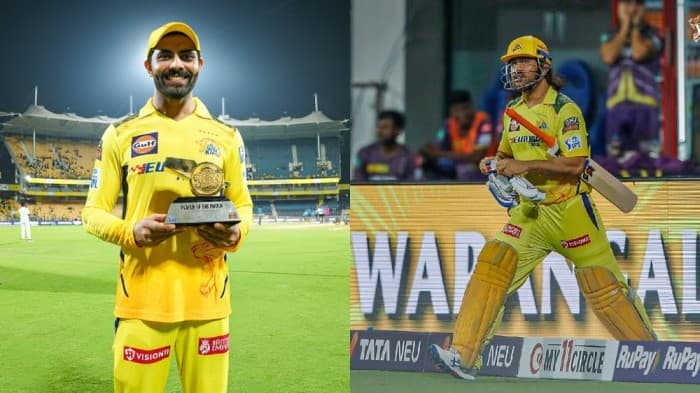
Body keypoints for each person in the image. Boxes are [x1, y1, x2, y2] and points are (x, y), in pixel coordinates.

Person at [430, 35, 656, 380]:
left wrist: (524, 167)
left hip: (570, 212)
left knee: (604, 286)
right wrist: (494, 162)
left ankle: (652, 359)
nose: (516, 69)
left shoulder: (564, 110)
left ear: (544, 65)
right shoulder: (513, 112)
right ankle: (463, 355)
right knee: (494, 262)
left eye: (523, 61)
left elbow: (577, 165)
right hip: (530, 215)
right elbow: (507, 155)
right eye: (512, 63)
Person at [82, 22, 252, 393]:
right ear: (149, 66)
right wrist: (132, 231)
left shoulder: (226, 136)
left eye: (186, 56)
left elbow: (243, 204)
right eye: (165, 56)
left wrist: (237, 232)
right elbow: (92, 212)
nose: (177, 65)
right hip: (142, 304)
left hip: (209, 303)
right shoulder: (120, 134)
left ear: (200, 65)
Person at [599, 0, 663, 176]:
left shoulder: (653, 34)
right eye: (627, 3)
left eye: (638, 4)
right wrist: (625, 27)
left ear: (644, 8)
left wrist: (633, 27)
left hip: (645, 108)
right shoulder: (610, 35)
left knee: (647, 162)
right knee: (615, 162)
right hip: (616, 108)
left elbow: (638, 52)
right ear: (619, 7)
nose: (633, 8)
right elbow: (609, 56)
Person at [421, 90, 496, 181]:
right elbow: (438, 146)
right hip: (459, 165)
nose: (463, 113)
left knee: (466, 169)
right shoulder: (448, 124)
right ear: (451, 111)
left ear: (471, 107)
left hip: (487, 168)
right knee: (428, 164)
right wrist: (428, 150)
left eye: (465, 108)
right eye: (457, 110)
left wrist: (438, 154)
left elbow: (477, 157)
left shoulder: (484, 122)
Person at [353, 110, 417, 181]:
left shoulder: (408, 155)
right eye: (379, 126)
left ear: (398, 130)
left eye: (385, 127)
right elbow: (358, 180)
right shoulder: (365, 153)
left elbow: (412, 183)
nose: (380, 131)